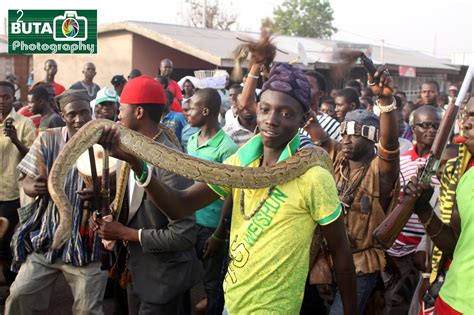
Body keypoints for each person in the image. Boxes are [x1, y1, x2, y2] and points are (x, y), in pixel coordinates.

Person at [97, 63, 358, 314]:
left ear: (304, 118)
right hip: (233, 301)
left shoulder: (313, 176)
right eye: (265, 109)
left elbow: (341, 251)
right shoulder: (239, 163)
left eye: (286, 113)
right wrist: (136, 162)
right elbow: (180, 205)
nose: (272, 120)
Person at [90, 76, 202, 314]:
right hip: (137, 274)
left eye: (122, 108)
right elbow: (130, 205)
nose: (118, 115)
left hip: (164, 282)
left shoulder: (170, 161)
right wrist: (109, 217)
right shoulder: (128, 149)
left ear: (139, 112)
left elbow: (184, 236)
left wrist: (126, 233)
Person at [305, 67, 400, 313]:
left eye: (354, 135)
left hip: (360, 265)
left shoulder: (381, 172)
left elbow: (390, 146)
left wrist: (386, 101)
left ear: (371, 139)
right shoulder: (337, 159)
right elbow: (313, 128)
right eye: (344, 134)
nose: (346, 140)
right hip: (324, 261)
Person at [6, 90, 108, 314]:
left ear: (91, 112)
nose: (79, 119)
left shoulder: (104, 144)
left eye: (84, 113)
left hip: (87, 245)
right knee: (19, 296)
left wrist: (100, 194)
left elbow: (118, 193)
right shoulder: (48, 138)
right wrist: (32, 187)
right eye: (72, 114)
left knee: (87, 310)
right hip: (47, 239)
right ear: (63, 115)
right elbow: (26, 181)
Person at [403, 98, 474, 314]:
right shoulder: (467, 177)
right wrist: (424, 210)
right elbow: (457, 246)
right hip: (453, 300)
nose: (468, 123)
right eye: (468, 115)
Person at [384, 106, 442, 312]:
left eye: (436, 125)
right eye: (425, 125)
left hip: (422, 250)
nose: (431, 130)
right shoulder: (403, 158)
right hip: (395, 245)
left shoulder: (444, 162)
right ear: (412, 127)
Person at [186, 88, 238, 314]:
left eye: (192, 108)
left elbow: (232, 195)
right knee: (186, 277)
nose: (187, 112)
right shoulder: (191, 140)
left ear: (205, 111)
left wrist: (218, 234)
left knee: (213, 283)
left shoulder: (227, 148)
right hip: (188, 221)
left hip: (211, 227)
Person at [0, 81, 36, 286]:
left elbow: (34, 158)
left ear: (13, 98)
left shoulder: (24, 124)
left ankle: (12, 282)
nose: (2, 101)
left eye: (6, 97)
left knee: (6, 243)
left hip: (13, 194)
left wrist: (15, 140)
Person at [303, 71, 342, 141]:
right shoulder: (290, 118)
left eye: (308, 86)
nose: (302, 89)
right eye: (301, 85)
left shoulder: (332, 125)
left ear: (320, 93)